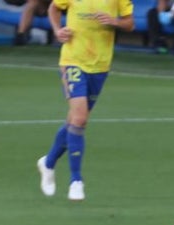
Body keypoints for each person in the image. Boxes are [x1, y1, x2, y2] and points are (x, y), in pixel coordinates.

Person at [35, 0, 134, 203]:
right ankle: (76, 180)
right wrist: (57, 30)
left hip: (100, 65)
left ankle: (49, 162)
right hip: (73, 60)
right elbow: (54, 7)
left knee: (74, 120)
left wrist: (114, 21)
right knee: (80, 119)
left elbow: (130, 23)